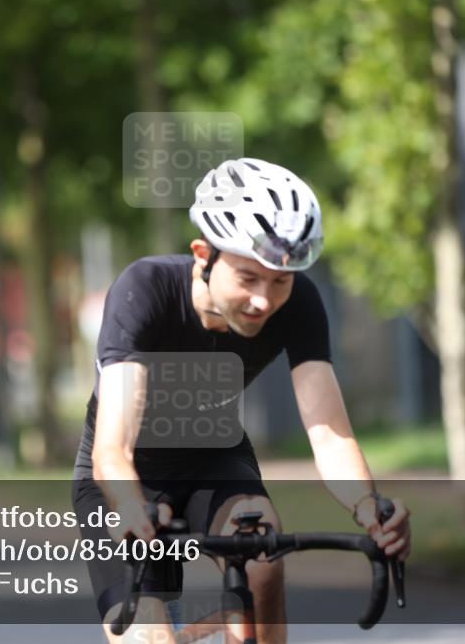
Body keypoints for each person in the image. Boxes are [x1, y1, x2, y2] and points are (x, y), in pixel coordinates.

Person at [72, 158, 411, 644]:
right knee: (151, 637)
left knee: (263, 562)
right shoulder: (144, 291)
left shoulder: (299, 304)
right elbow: (112, 452)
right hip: (127, 477)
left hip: (214, 455)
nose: (264, 301)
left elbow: (331, 435)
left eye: (280, 281)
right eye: (248, 278)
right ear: (203, 254)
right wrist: (130, 504)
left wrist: (368, 507)